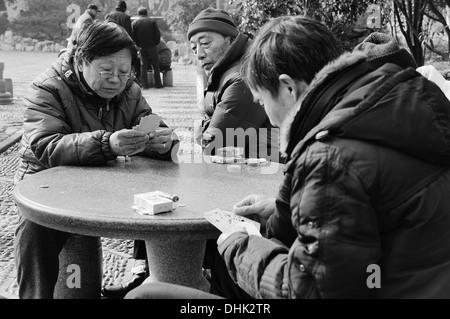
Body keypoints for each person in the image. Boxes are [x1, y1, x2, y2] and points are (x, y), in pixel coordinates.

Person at [126, 16, 450, 299]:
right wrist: (287, 207)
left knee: (147, 295)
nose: (268, 116)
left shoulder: (330, 156)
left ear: (287, 88)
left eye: (263, 101)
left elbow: (308, 290)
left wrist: (238, 246)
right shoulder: (408, 106)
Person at [13, 20, 178, 299]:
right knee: (34, 231)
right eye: (106, 70)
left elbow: (148, 122)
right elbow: (47, 145)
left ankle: (150, 276)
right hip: (49, 190)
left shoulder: (129, 90)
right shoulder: (46, 89)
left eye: (124, 72)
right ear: (80, 60)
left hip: (100, 186)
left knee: (82, 289)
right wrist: (107, 143)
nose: (116, 79)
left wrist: (163, 140)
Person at [188, 7, 279, 161]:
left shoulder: (243, 78)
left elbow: (213, 145)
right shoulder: (225, 71)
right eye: (194, 48)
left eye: (205, 43)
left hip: (265, 171)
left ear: (230, 39)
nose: (199, 55)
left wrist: (199, 130)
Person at [131, 6, 163, 89]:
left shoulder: (134, 23)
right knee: (156, 66)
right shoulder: (152, 21)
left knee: (143, 66)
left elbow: (133, 36)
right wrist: (156, 43)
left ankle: (145, 85)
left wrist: (138, 45)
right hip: (152, 46)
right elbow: (157, 34)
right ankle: (158, 84)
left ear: (138, 14)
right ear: (146, 13)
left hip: (141, 47)